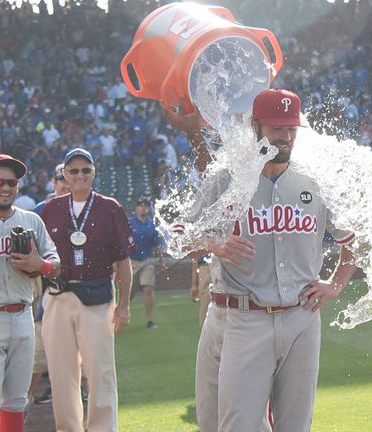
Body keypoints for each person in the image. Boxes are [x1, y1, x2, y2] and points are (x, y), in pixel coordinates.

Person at [173, 89, 357, 431]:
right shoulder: (228, 178)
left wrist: (335, 283)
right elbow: (178, 239)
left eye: (291, 129)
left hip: (302, 318)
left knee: (296, 425)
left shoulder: (315, 181)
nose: (285, 137)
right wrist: (216, 243)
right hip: (245, 316)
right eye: (276, 129)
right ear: (256, 126)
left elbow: (355, 241)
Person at [0, 154, 60, 432]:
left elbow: (57, 266)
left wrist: (40, 264)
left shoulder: (32, 220)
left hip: (23, 316)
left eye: (12, 182)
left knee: (16, 400)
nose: (5, 187)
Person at [40, 148, 134, 432]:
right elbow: (43, 258)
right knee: (61, 373)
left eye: (85, 170)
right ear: (64, 176)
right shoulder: (52, 209)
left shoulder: (110, 207)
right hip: (58, 297)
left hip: (97, 298)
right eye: (73, 171)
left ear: (93, 173)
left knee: (100, 372)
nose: (79, 175)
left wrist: (124, 305)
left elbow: (124, 261)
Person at [31, 163, 71, 405]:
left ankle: (76, 392)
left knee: (79, 352)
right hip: (48, 287)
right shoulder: (41, 210)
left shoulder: (86, 208)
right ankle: (24, 398)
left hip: (79, 289)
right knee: (38, 351)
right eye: (61, 178)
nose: (65, 182)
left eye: (68, 177)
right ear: (54, 182)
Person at [129, 197, 162, 329]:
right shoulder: (129, 223)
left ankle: (150, 321)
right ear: (136, 208)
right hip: (132, 261)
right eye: (140, 205)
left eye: (145, 205)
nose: (143, 208)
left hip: (148, 260)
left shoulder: (151, 225)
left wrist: (161, 260)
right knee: (128, 294)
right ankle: (118, 315)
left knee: (148, 289)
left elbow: (156, 244)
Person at [190, 254, 212, 328]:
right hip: (205, 267)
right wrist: (194, 285)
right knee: (205, 307)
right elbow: (196, 257)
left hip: (224, 264)